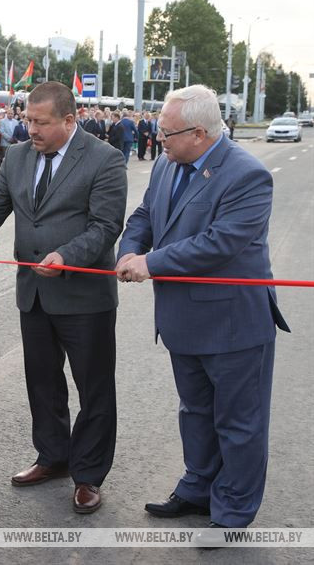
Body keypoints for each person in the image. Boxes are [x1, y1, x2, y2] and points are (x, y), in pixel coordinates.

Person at [115, 85, 290, 537]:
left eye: (166, 132)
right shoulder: (166, 163)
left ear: (199, 132)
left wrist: (149, 263)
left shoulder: (246, 175)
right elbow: (145, 217)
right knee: (194, 412)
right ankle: (198, 487)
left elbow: (218, 245)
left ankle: (232, 511)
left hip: (233, 323)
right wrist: (129, 250)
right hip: (183, 320)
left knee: (238, 423)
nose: (157, 138)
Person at [0, 81, 127, 514]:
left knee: (93, 388)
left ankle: (89, 474)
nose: (30, 128)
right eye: (27, 119)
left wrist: (67, 256)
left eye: (40, 122)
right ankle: (53, 457)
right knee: (43, 382)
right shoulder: (18, 156)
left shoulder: (104, 159)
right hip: (33, 293)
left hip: (83, 296)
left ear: (69, 120)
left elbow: (106, 226)